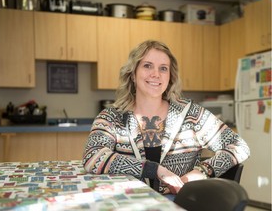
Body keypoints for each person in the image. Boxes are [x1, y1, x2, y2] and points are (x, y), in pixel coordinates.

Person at [82, 40, 250, 198]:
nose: (156, 74)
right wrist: (155, 170)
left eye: (163, 68)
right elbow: (93, 157)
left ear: (170, 77)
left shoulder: (191, 114)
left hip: (176, 202)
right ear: (133, 74)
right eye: (147, 66)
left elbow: (239, 146)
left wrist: (203, 171)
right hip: (128, 201)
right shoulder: (112, 116)